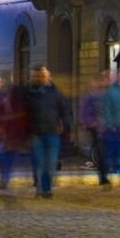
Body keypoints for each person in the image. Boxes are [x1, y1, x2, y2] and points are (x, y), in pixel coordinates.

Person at [25, 65, 71, 198]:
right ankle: (40, 188)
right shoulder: (29, 93)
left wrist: (66, 126)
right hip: (35, 132)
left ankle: (47, 189)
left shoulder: (56, 93)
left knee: (50, 163)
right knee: (38, 161)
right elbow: (24, 113)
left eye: (43, 75)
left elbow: (64, 110)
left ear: (48, 76)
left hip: (52, 132)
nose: (41, 78)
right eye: (38, 76)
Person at [80, 74, 111, 187]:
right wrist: (91, 123)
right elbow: (85, 114)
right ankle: (103, 176)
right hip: (96, 128)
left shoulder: (102, 97)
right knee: (101, 152)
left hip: (103, 127)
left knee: (103, 152)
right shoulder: (90, 98)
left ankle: (104, 175)